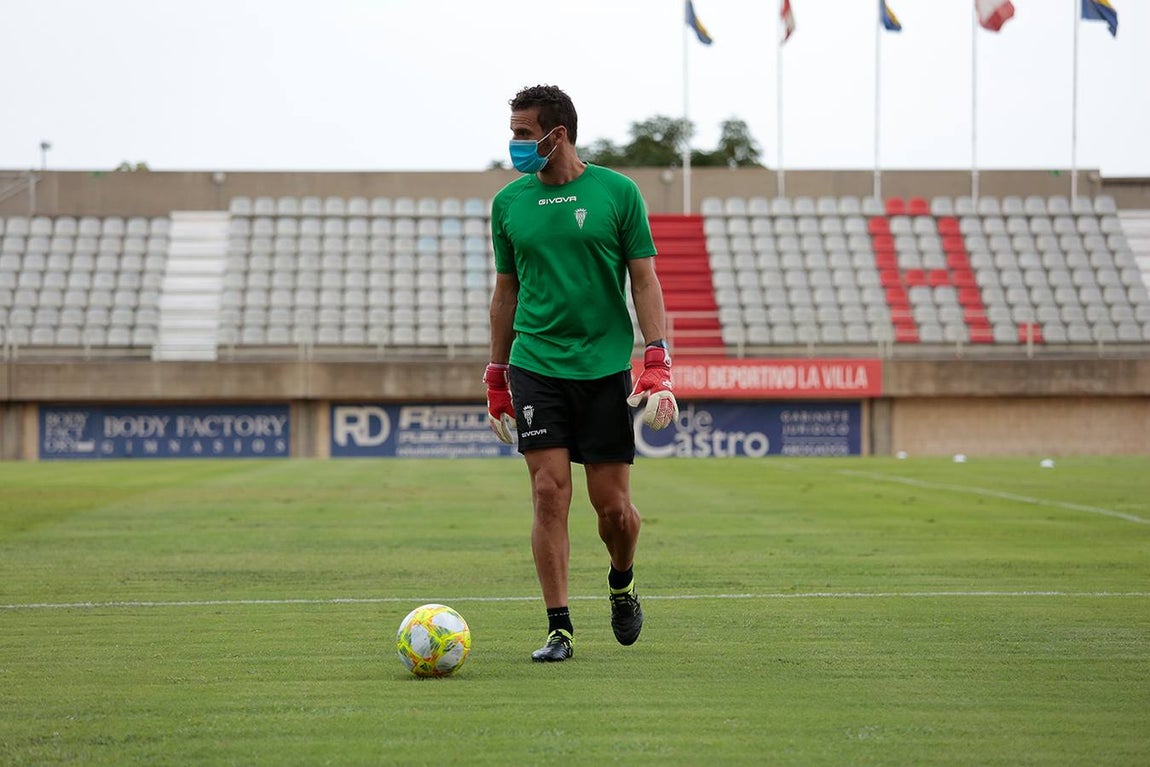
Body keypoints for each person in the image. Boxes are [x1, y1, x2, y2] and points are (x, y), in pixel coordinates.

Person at [484, 84, 679, 663]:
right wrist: (497, 376)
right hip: (536, 364)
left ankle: (622, 578)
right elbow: (506, 292)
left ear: (557, 134)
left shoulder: (618, 193)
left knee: (613, 510)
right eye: (513, 132)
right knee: (548, 493)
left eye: (523, 133)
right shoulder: (509, 204)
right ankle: (559, 628)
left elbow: (644, 281)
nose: (514, 144)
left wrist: (656, 360)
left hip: (602, 368)